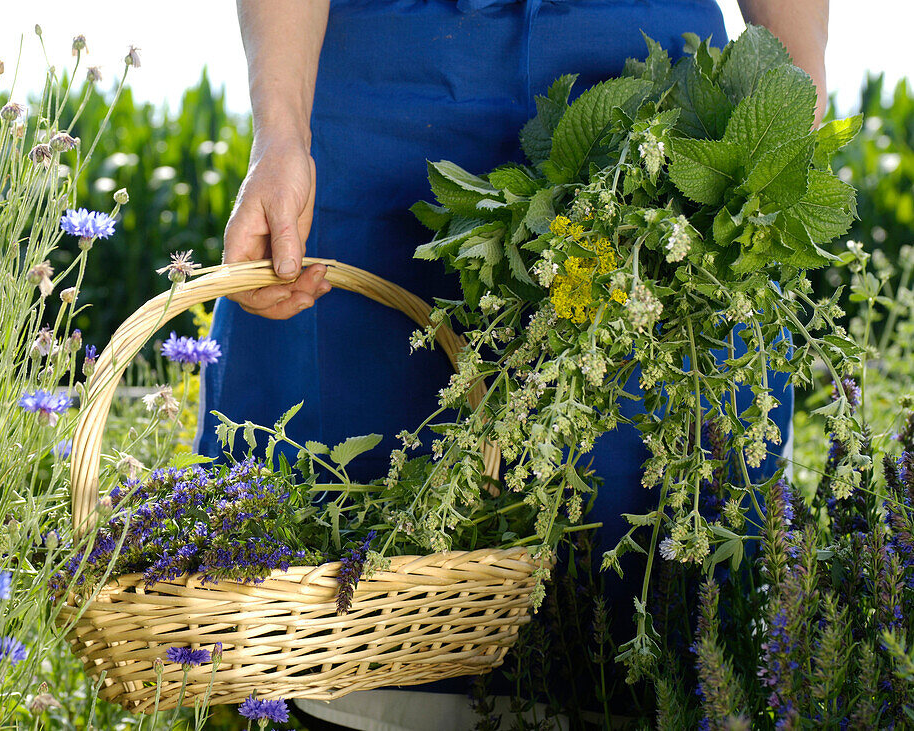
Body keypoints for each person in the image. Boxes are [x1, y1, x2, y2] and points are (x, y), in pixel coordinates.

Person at [194, 1, 828, 728]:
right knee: (330, 586)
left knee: (655, 598)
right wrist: (279, 134)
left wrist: (796, 107)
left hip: (645, 97)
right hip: (380, 97)